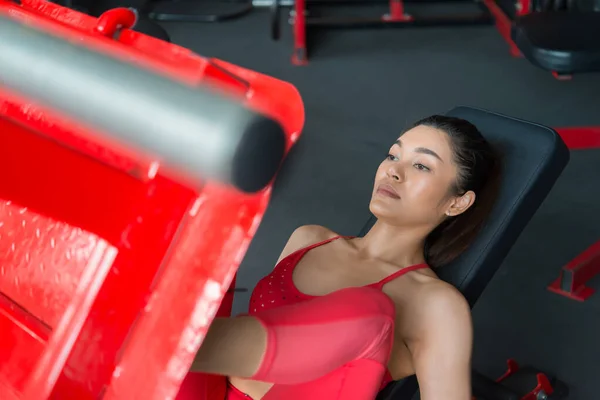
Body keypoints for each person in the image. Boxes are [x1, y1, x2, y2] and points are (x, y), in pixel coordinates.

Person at [190, 115, 501, 400]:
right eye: (393, 155)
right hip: (200, 389)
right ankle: (171, 347)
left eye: (421, 166)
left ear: (457, 203)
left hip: (185, 361)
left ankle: (175, 345)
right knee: (201, 242)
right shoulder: (309, 239)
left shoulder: (436, 304)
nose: (393, 169)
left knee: (372, 313)